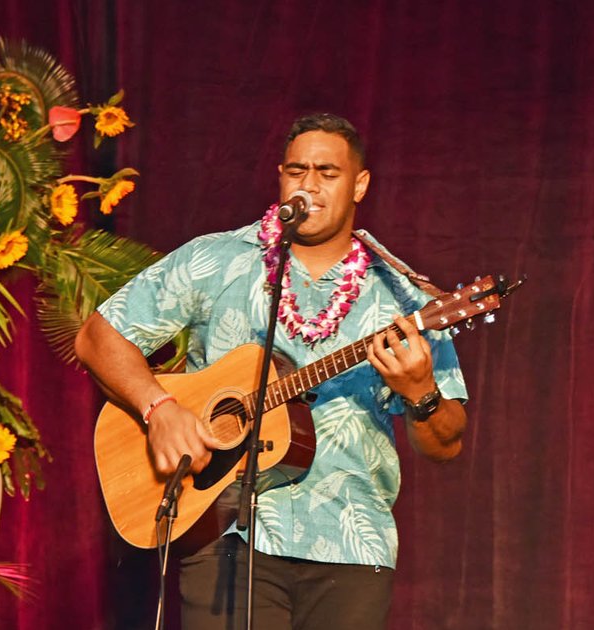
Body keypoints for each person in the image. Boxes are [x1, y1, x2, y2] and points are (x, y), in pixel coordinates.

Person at [74, 113, 468, 629]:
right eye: (295, 170)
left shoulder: (400, 299)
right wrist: (159, 406)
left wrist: (421, 394)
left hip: (352, 545)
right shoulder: (217, 259)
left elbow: (446, 441)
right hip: (228, 534)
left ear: (359, 185)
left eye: (327, 172)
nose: (308, 184)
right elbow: (98, 337)